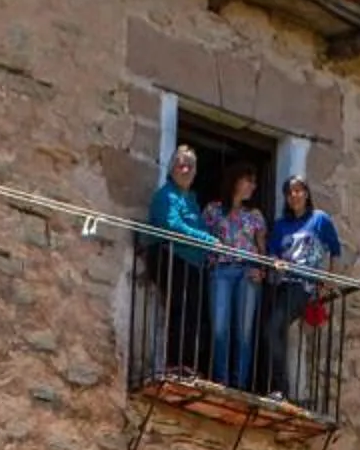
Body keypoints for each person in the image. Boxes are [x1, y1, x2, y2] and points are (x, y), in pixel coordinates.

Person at [267, 176, 342, 408]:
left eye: (299, 190)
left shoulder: (319, 219)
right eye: (290, 192)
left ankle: (280, 388)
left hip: (304, 285)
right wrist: (276, 263)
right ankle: (281, 387)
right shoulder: (281, 225)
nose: (295, 195)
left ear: (307, 193)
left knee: (272, 329)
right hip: (283, 283)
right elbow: (272, 253)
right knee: (273, 331)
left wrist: (328, 277)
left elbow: (335, 250)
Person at [143, 144, 216, 377]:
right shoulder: (166, 195)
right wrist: (207, 240)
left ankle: (188, 364)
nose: (185, 169)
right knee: (181, 308)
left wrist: (210, 244)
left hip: (192, 264)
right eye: (180, 164)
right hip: (169, 256)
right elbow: (172, 226)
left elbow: (198, 226)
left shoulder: (192, 200)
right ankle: (175, 363)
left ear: (195, 172)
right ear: (172, 168)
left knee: (194, 313)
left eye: (190, 166)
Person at [202, 165, 267, 391]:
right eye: (249, 180)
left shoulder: (256, 216)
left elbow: (261, 248)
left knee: (244, 332)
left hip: (247, 273)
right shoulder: (213, 210)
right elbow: (203, 239)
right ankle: (222, 382)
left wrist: (262, 270)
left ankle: (239, 384)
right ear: (235, 180)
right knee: (220, 329)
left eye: (254, 182)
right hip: (220, 270)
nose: (253, 186)